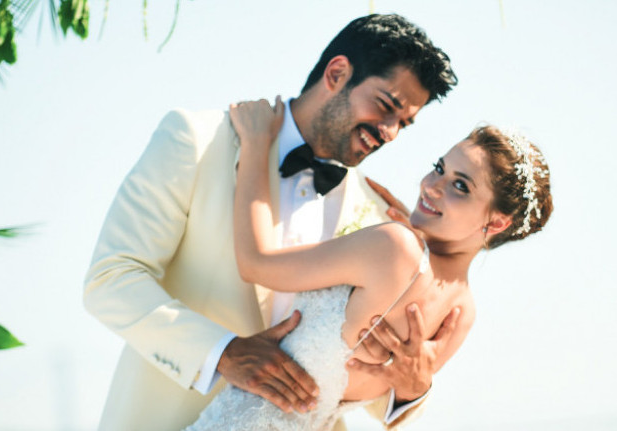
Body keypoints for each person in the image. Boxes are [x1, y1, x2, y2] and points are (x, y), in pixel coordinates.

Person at [84, 14, 457, 430]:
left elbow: (367, 378)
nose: (390, 132)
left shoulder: (378, 219)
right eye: (386, 106)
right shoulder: (198, 141)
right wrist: (223, 352)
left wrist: (412, 387)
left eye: (403, 123)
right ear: (337, 73)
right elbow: (112, 280)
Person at [182, 99, 553, 430]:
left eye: (461, 186)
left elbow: (256, 263)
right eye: (439, 168)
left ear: (498, 223)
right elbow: (392, 409)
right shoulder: (461, 312)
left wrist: (255, 145)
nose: (431, 185)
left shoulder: (394, 247)